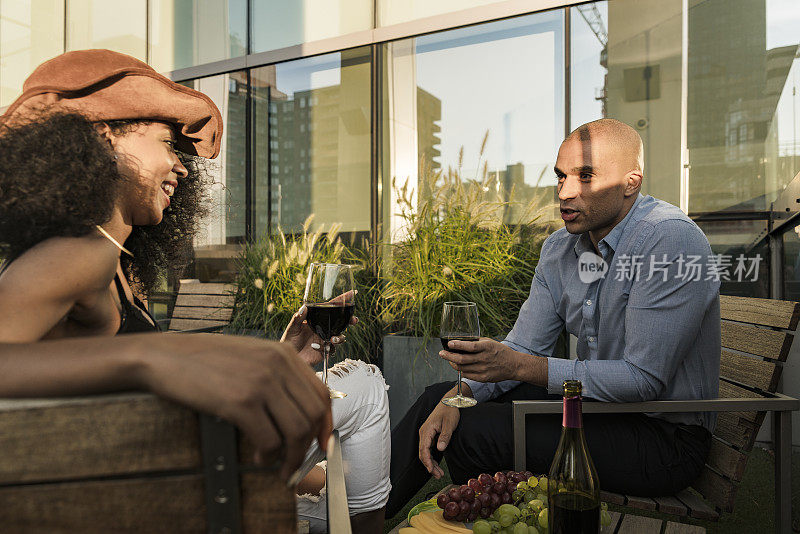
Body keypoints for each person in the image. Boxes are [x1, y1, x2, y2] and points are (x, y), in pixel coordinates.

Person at [0, 49, 389, 533]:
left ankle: (337, 501)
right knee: (368, 389)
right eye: (167, 143)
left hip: (177, 469)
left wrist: (283, 353)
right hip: (161, 494)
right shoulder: (75, 252)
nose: (182, 169)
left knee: (347, 409)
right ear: (104, 141)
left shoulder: (114, 262)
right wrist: (152, 358)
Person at [386, 118, 721, 516]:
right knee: (439, 401)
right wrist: (466, 392)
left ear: (631, 182)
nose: (565, 192)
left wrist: (518, 365)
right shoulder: (559, 249)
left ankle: (505, 519)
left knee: (471, 432)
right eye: (561, 176)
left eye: (585, 177)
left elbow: (642, 380)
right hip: (594, 410)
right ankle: (356, 515)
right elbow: (525, 345)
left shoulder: (668, 239)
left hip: (662, 439)